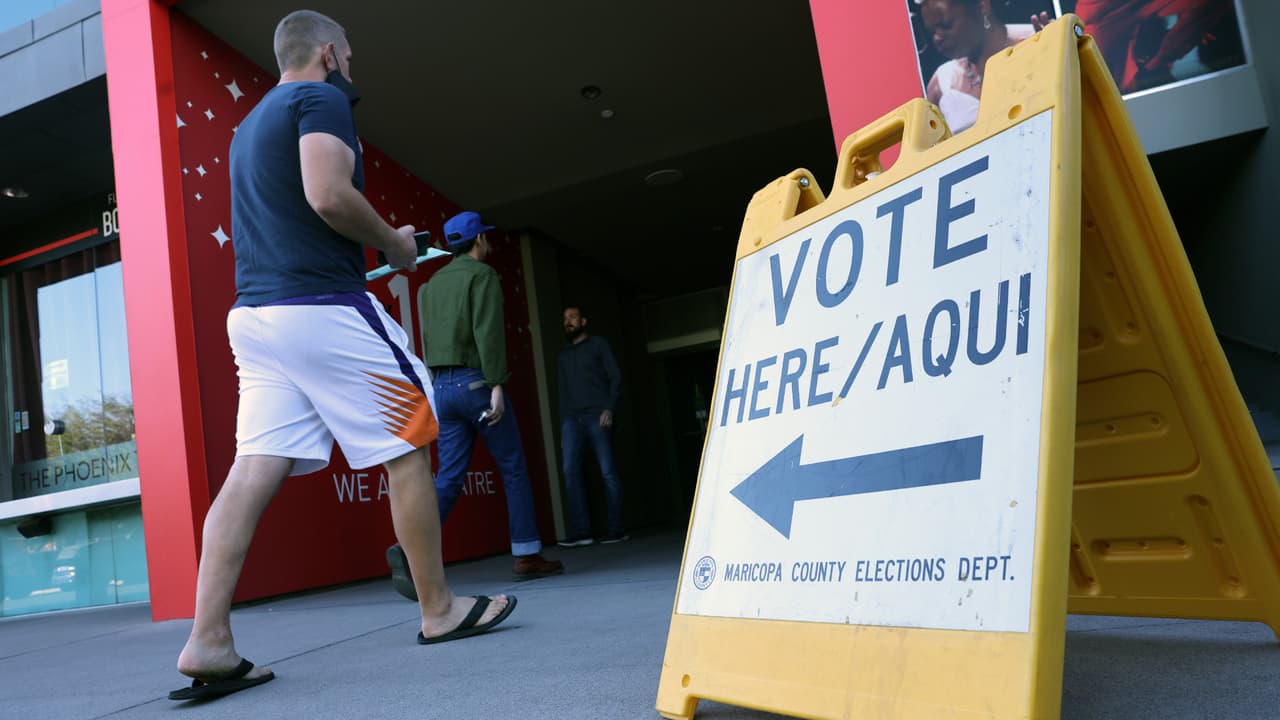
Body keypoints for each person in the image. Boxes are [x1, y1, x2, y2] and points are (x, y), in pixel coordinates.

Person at [169, 11, 514, 702]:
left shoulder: (251, 125)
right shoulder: (318, 97)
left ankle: (207, 639)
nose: (352, 68)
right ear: (328, 52)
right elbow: (327, 194)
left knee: (251, 469)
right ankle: (438, 609)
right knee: (413, 437)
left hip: (257, 319)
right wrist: (394, 243)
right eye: (349, 56)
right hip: (321, 310)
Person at [387, 211, 562, 597]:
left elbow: (430, 341)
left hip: (442, 389)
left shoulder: (432, 285)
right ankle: (527, 555)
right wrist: (497, 383)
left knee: (448, 477)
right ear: (478, 241)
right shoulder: (482, 276)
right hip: (477, 383)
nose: (489, 243)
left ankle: (410, 550)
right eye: (486, 237)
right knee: (513, 467)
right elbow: (487, 333)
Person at [555, 306, 626, 547]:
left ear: (584, 321)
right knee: (570, 473)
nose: (568, 322)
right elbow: (562, 393)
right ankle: (582, 533)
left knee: (608, 472)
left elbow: (615, 377)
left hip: (598, 416)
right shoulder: (562, 356)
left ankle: (617, 530)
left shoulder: (599, 345)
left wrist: (609, 408)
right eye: (565, 319)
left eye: (573, 317)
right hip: (571, 421)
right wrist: (563, 427)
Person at [920, 0, 1037, 133]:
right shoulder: (941, 83)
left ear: (982, 7)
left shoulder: (1038, 40)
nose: (937, 38)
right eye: (931, 32)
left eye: (946, 25)